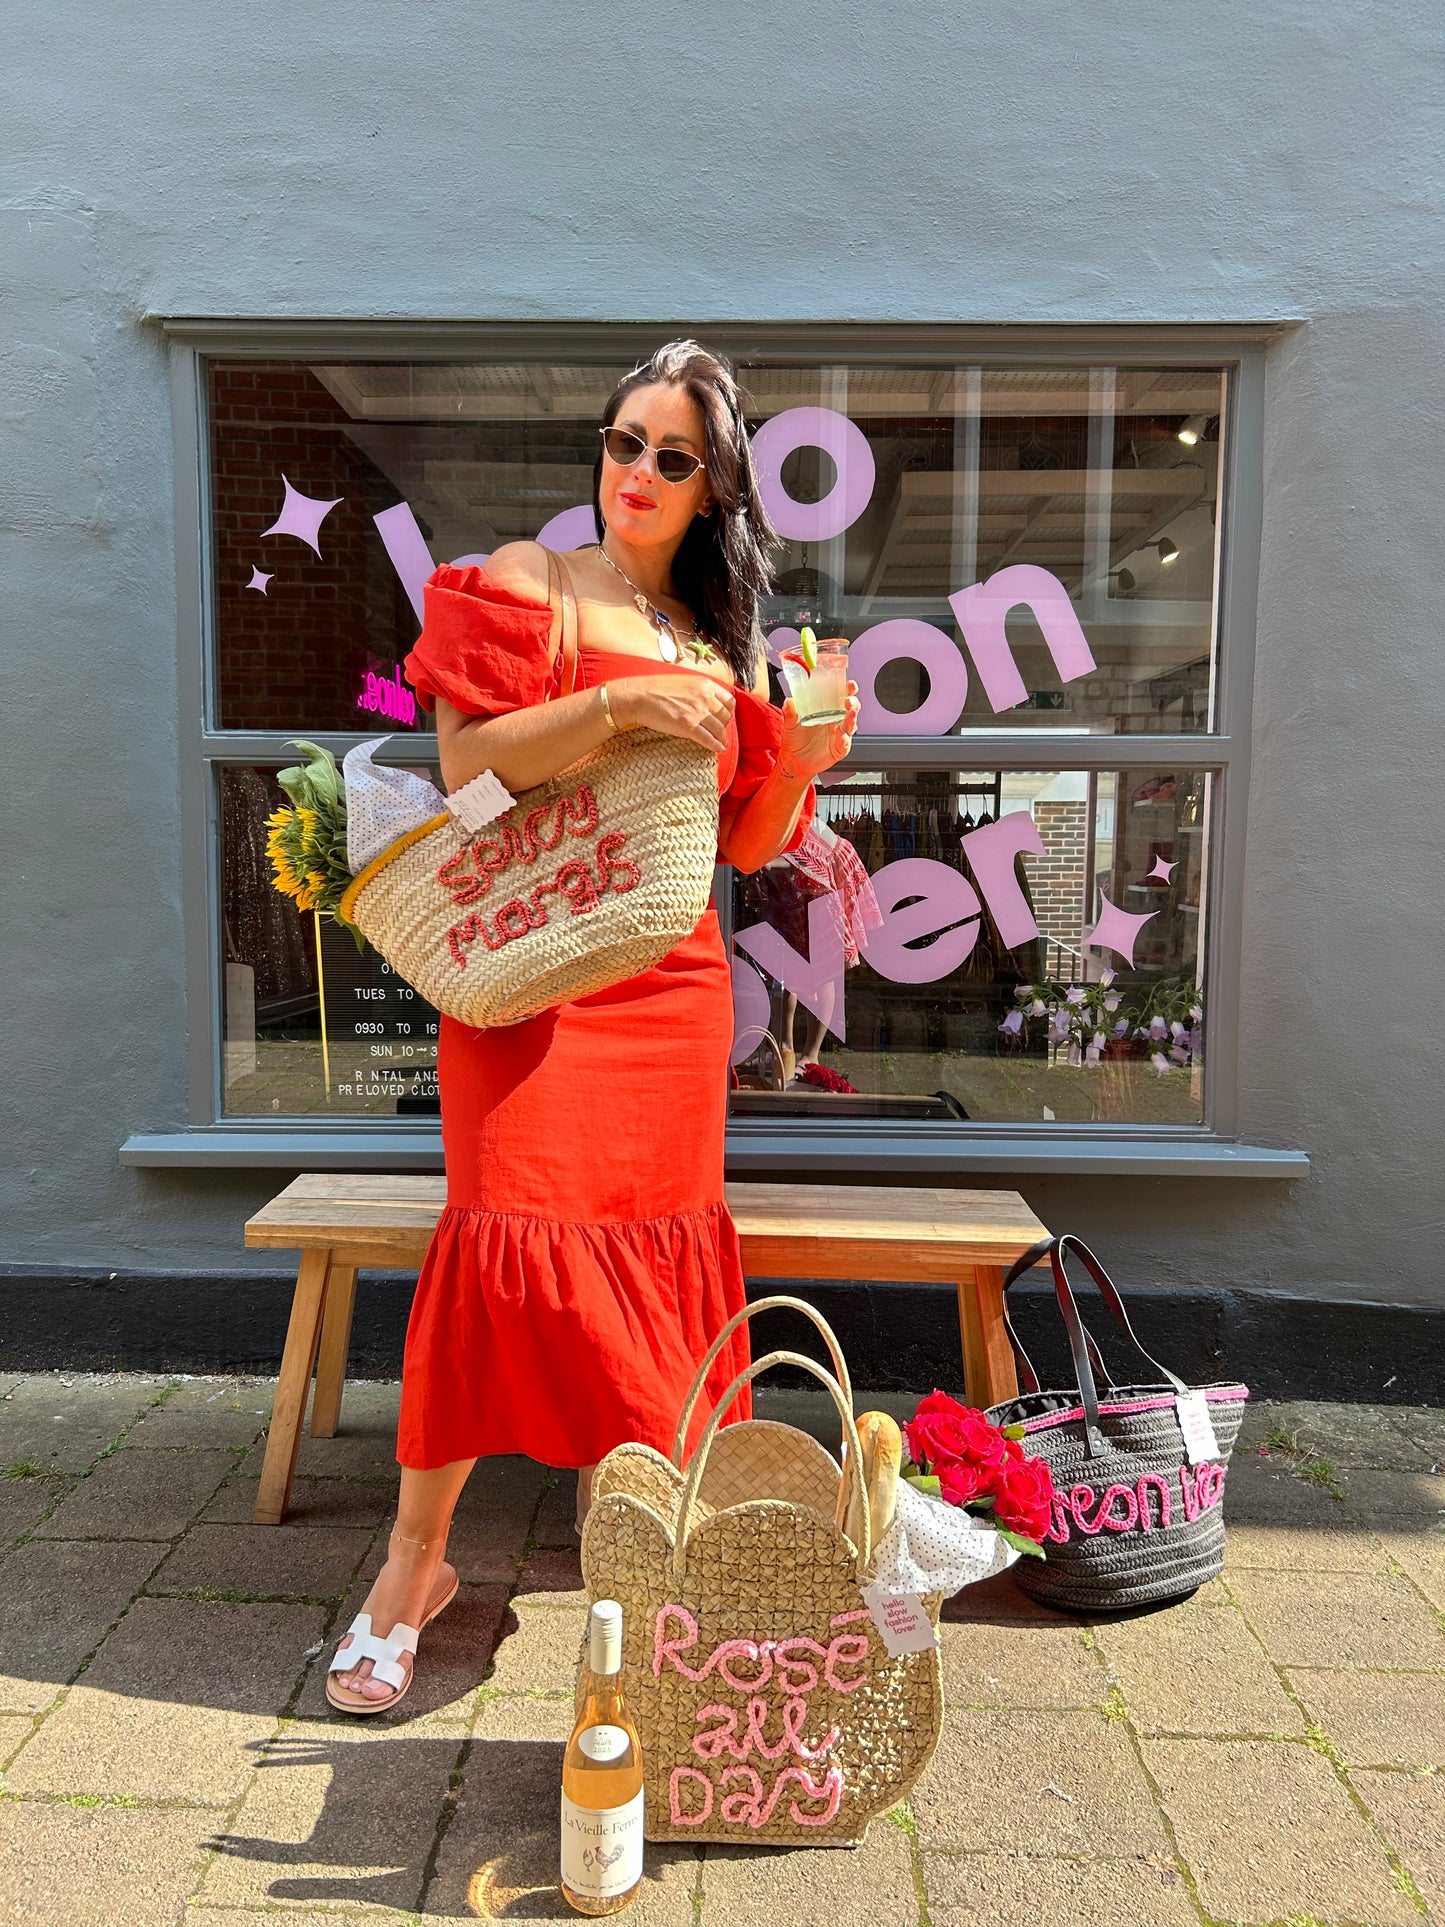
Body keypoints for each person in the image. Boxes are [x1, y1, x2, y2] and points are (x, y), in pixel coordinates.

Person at [327, 340, 860, 1709]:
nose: (637, 471)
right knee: (498, 1233)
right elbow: (462, 766)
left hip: (671, 986)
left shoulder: (718, 636)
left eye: (672, 456)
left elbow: (745, 841)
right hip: (528, 971)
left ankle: (655, 1566)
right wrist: (620, 700)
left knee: (655, 1278)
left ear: (714, 488)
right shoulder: (529, 579)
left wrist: (794, 759)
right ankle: (411, 1569)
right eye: (624, 442)